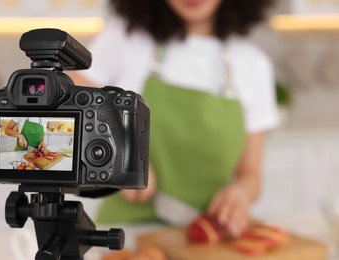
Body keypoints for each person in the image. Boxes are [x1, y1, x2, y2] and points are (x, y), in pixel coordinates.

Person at [74, 0, 278, 237]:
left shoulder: (253, 65)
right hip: (126, 232)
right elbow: (76, 91)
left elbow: (250, 174)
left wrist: (240, 193)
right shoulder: (127, 38)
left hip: (207, 234)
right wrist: (121, 154)